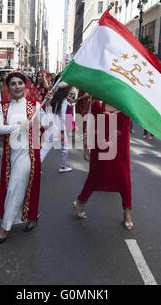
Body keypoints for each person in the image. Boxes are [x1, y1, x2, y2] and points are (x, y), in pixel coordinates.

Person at [0, 71, 53, 244]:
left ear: (25, 85)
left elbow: (49, 124)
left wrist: (48, 104)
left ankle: (5, 227)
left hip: (27, 155)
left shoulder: (34, 105)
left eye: (20, 83)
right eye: (13, 84)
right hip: (10, 155)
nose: (17, 87)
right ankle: (31, 217)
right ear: (8, 87)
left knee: (14, 187)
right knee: (22, 187)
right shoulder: (3, 107)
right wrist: (19, 127)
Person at [74, 99, 133, 230]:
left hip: (120, 150)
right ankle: (80, 202)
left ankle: (127, 212)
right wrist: (87, 146)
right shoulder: (96, 105)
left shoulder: (128, 105)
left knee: (124, 180)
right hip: (99, 148)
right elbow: (91, 126)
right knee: (94, 177)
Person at [40, 81, 73, 172]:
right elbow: (62, 117)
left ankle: (62, 166)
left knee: (47, 147)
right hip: (58, 127)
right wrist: (62, 132)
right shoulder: (63, 101)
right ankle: (62, 166)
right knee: (60, 147)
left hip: (51, 124)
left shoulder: (55, 98)